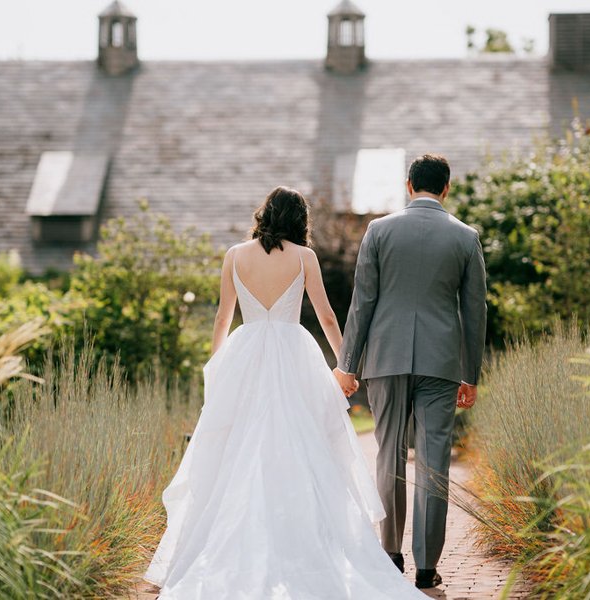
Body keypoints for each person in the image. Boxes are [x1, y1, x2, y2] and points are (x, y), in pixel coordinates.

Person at [144, 186, 428, 599]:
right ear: (299, 221)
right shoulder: (304, 257)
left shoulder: (234, 255)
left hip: (245, 353)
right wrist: (346, 366)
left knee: (237, 449)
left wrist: (217, 366)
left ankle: (232, 541)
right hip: (295, 353)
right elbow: (328, 316)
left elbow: (224, 316)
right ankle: (302, 535)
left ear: (264, 214)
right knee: (303, 444)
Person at [334, 154, 487, 589]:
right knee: (434, 460)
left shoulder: (379, 231)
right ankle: (427, 565)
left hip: (386, 358)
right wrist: (470, 373)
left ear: (408, 185)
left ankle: (389, 554)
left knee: (388, 454)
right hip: (441, 364)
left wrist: (348, 364)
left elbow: (362, 301)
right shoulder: (465, 236)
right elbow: (474, 310)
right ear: (447, 188)